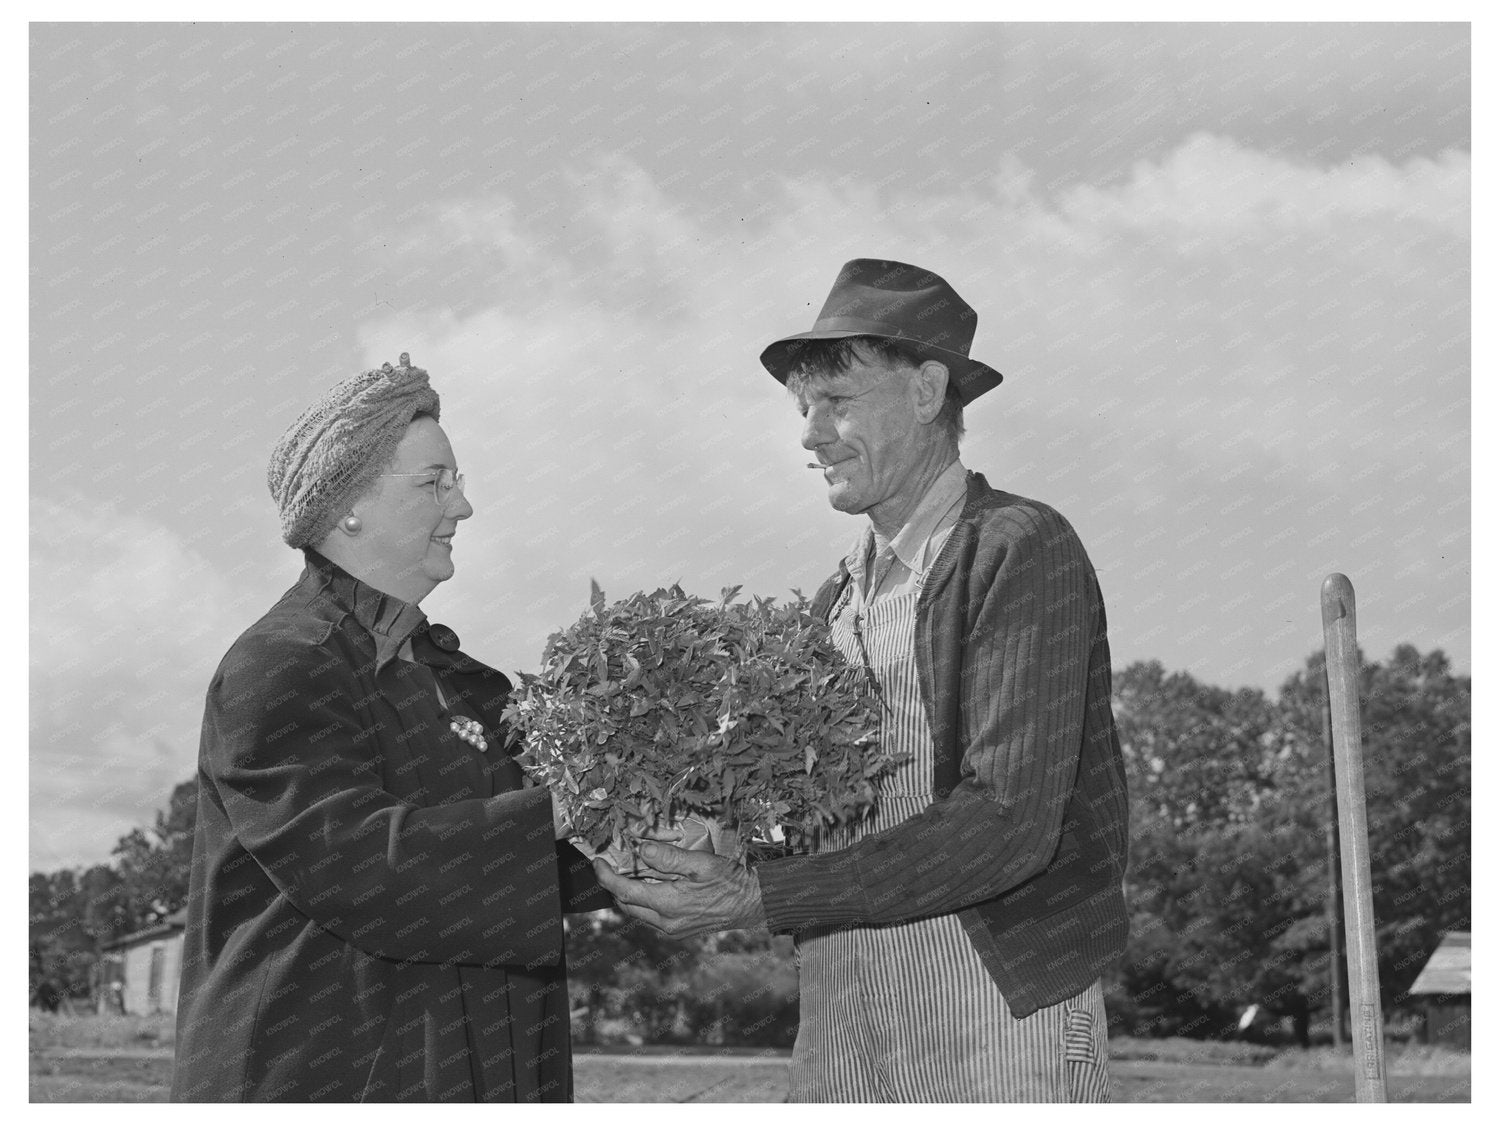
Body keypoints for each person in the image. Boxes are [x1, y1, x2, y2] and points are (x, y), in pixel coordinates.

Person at [596, 260, 1130, 1102]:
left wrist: (757, 895)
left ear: (926, 392)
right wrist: (712, 846)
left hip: (991, 1015)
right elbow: (815, 824)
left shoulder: (1017, 548)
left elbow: (1006, 822)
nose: (811, 435)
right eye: (803, 408)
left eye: (837, 400)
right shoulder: (835, 601)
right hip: (841, 1012)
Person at [172, 354, 606, 1102]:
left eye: (458, 480)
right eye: (434, 482)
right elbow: (364, 867)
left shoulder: (466, 683)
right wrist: (568, 810)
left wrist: (654, 849)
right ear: (349, 504)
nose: (462, 506)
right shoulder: (279, 665)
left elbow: (524, 862)